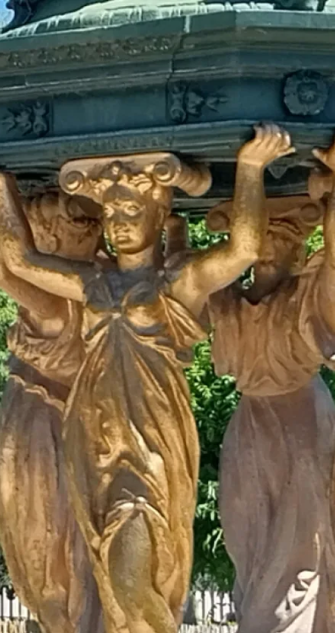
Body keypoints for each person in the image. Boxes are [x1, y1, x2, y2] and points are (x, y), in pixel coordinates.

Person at [0, 122, 289, 633]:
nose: (117, 222)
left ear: (159, 216)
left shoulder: (175, 285)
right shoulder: (91, 284)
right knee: (112, 586)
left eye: (132, 211)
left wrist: (250, 169)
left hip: (151, 452)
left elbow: (242, 250)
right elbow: (18, 261)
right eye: (111, 213)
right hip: (94, 449)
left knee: (131, 578)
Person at [0, 169, 104, 633]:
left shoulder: (73, 297)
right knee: (56, 544)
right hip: (46, 426)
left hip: (52, 426)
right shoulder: (75, 297)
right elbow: (5, 265)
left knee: (57, 547)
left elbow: (4, 264)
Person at [206, 142, 335, 633]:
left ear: (296, 247)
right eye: (258, 236)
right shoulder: (231, 303)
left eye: (275, 237)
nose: (263, 248)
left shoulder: (307, 297)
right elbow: (191, 279)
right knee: (247, 535)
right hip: (251, 423)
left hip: (301, 419)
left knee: (301, 543)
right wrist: (171, 228)